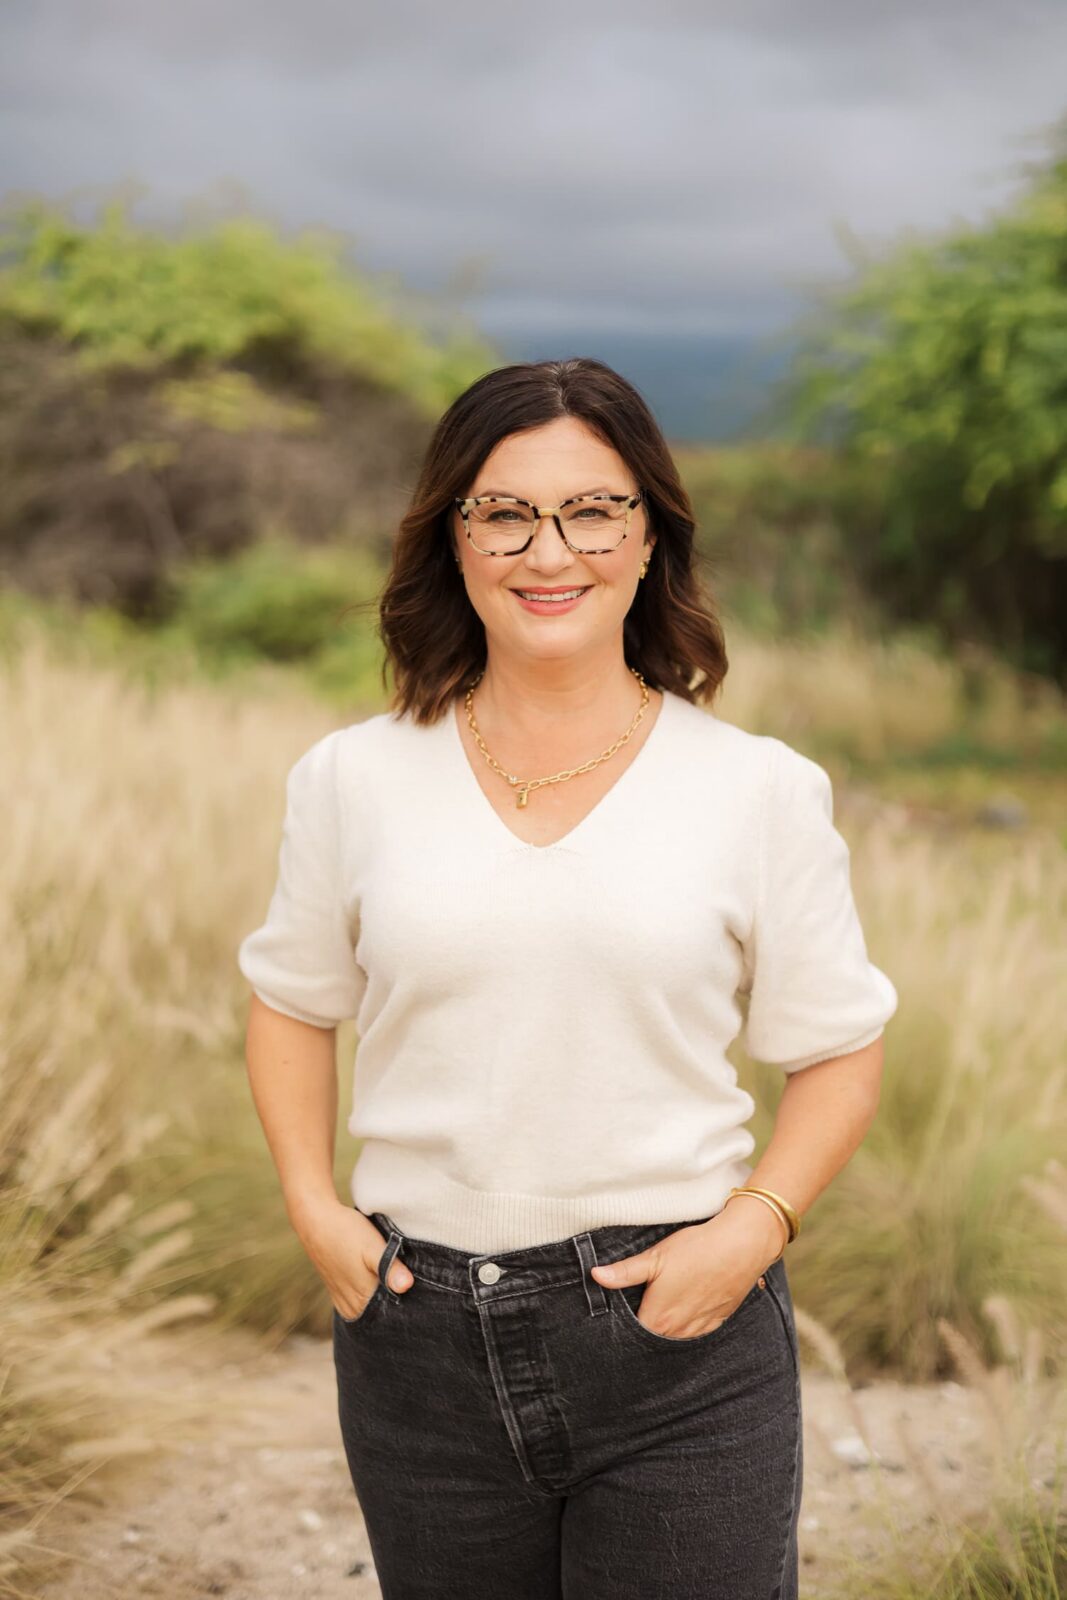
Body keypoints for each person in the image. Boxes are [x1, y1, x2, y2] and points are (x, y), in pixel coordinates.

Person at [236, 356, 898, 1599]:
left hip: (678, 1335)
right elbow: (289, 1002)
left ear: (651, 535)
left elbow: (836, 1047)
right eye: (505, 511)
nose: (552, 551)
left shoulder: (756, 787)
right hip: (413, 1328)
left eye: (594, 509)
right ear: (453, 536)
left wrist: (751, 1229)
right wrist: (311, 1206)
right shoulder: (350, 778)